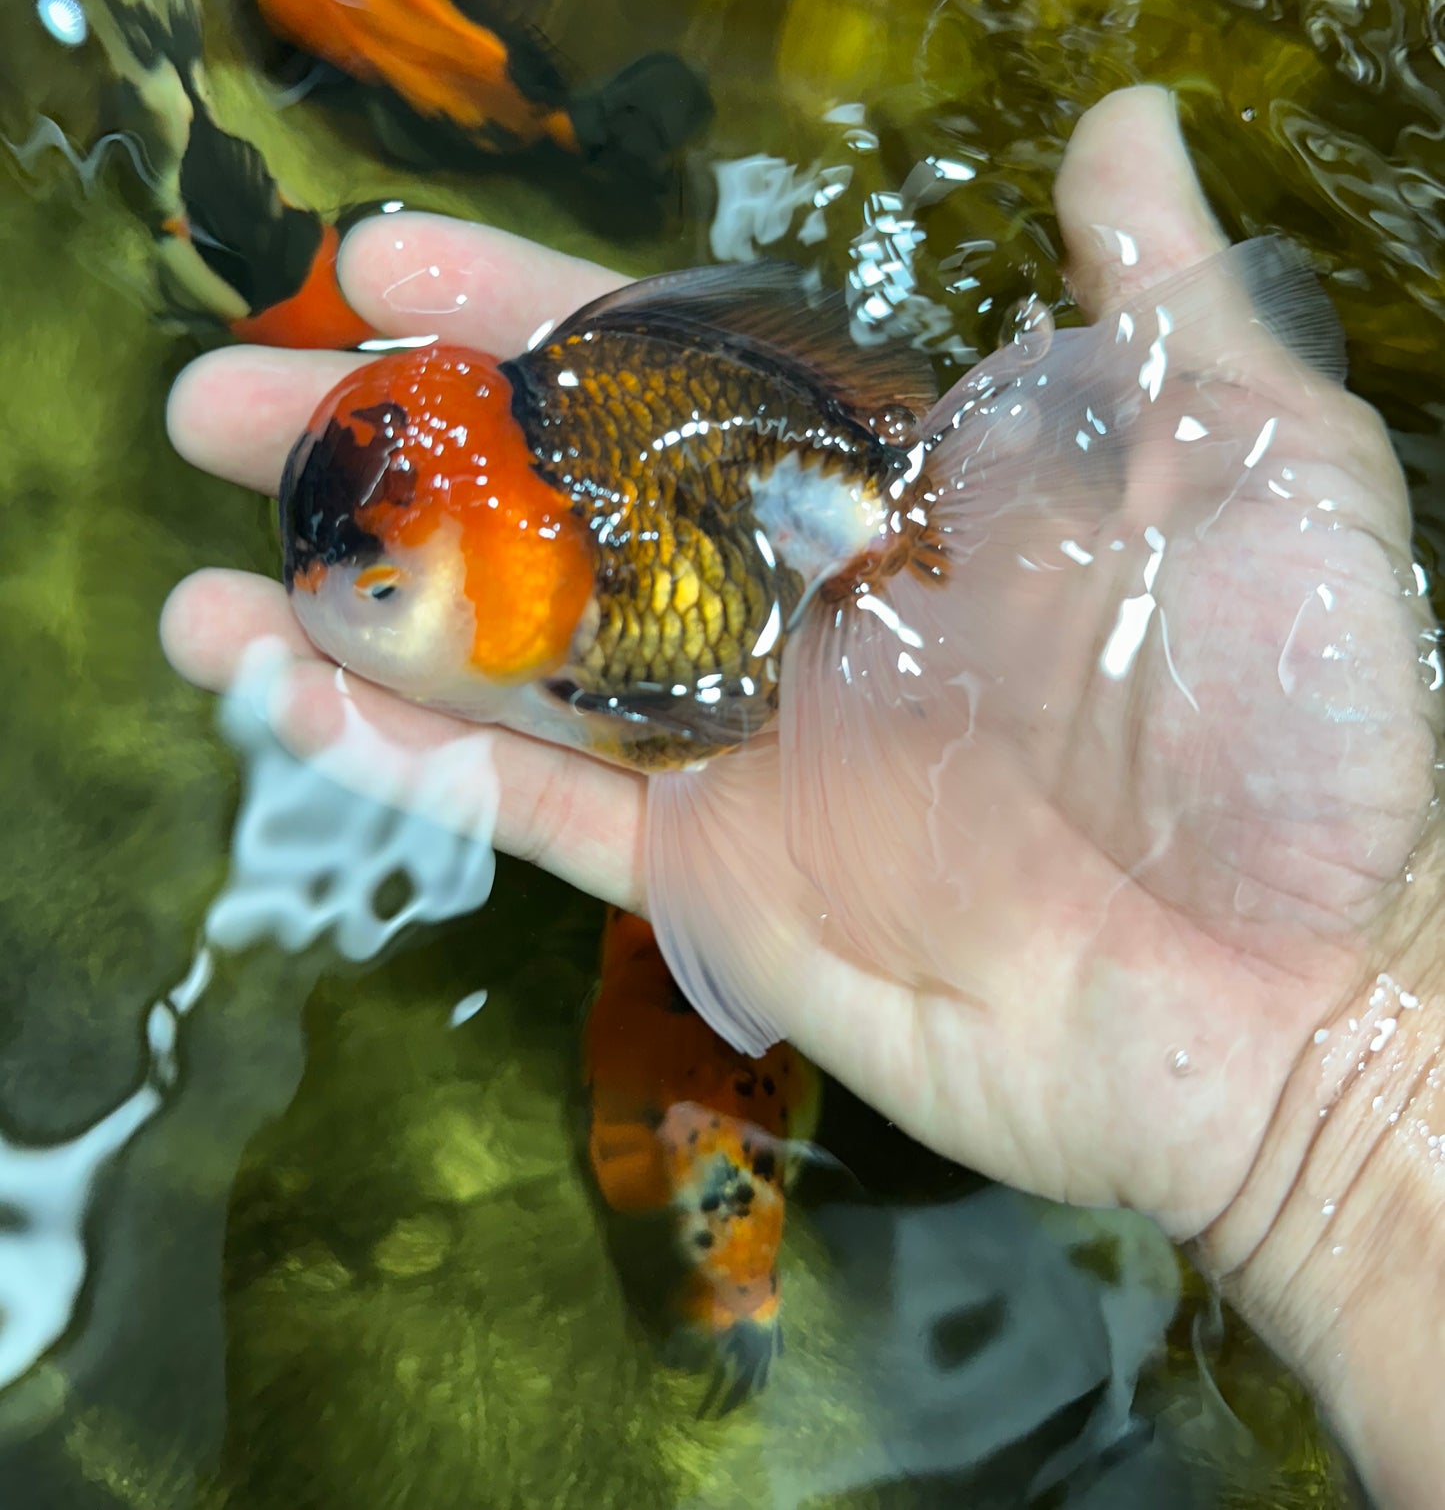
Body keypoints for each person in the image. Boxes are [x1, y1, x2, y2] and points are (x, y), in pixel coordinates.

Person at [161, 86, 1445, 1507]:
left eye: (386, 591)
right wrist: (1354, 1099)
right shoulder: (560, 496)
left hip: (801, 536)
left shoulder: (621, 628)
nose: (338, 606)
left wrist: (1360, 1080)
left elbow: (691, 723)